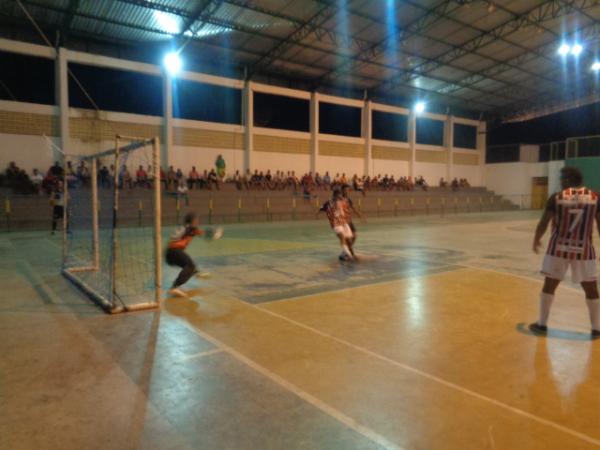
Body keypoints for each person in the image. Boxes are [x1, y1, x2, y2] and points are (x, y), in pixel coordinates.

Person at [530, 167, 600, 339]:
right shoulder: (595, 197)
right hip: (584, 250)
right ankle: (596, 328)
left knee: (549, 285)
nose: (560, 181)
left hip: (558, 250)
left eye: (562, 178)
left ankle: (542, 324)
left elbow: (544, 222)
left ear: (569, 179)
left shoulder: (556, 197)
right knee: (591, 288)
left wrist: (536, 238)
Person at [165, 212, 212, 297]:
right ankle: (174, 287)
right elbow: (175, 238)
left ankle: (195, 272)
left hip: (171, 252)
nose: (197, 221)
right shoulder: (188, 229)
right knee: (190, 266)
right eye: (196, 220)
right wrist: (214, 235)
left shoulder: (191, 229)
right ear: (191, 221)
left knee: (190, 266)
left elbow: (203, 234)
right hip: (174, 251)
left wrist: (211, 234)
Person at [317, 188, 355, 261]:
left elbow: (347, 210)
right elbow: (321, 208)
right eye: (338, 195)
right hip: (335, 223)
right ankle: (349, 255)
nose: (340, 196)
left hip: (344, 222)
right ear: (334, 195)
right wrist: (317, 215)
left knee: (349, 241)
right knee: (342, 237)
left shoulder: (343, 201)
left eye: (340, 195)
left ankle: (343, 254)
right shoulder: (328, 202)